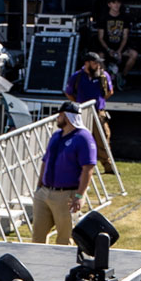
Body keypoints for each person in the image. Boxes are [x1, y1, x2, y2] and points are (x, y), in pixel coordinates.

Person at [31, 101, 99, 245]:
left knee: (64, 237)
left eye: (60, 115)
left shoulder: (83, 138)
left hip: (67, 195)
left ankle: (62, 266)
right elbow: (45, 161)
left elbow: (88, 169)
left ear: (67, 116)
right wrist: (39, 187)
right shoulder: (56, 135)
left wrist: (80, 195)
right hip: (45, 192)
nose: (57, 118)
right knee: (37, 236)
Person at [96, 0, 139, 83]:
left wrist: (119, 51)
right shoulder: (103, 18)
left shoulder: (124, 18)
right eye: (114, 3)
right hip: (107, 47)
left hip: (120, 47)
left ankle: (122, 77)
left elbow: (125, 36)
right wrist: (108, 50)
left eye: (118, 3)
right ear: (109, 4)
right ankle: (107, 78)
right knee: (99, 57)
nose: (116, 5)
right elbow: (100, 37)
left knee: (134, 54)